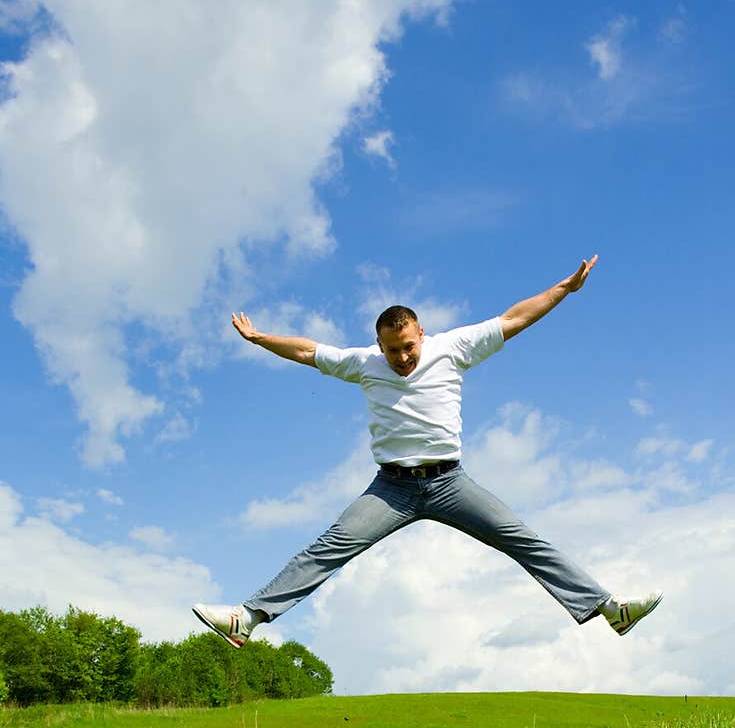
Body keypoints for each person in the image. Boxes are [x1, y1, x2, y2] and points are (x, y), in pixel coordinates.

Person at [193, 255, 661, 649]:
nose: (403, 358)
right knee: (332, 545)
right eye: (393, 350)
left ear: (422, 334)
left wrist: (564, 289)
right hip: (391, 489)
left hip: (449, 483)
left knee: (521, 538)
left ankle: (608, 609)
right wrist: (260, 338)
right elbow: (306, 351)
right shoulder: (363, 364)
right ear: (380, 344)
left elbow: (514, 318)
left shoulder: (452, 348)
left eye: (409, 346)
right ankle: (247, 619)